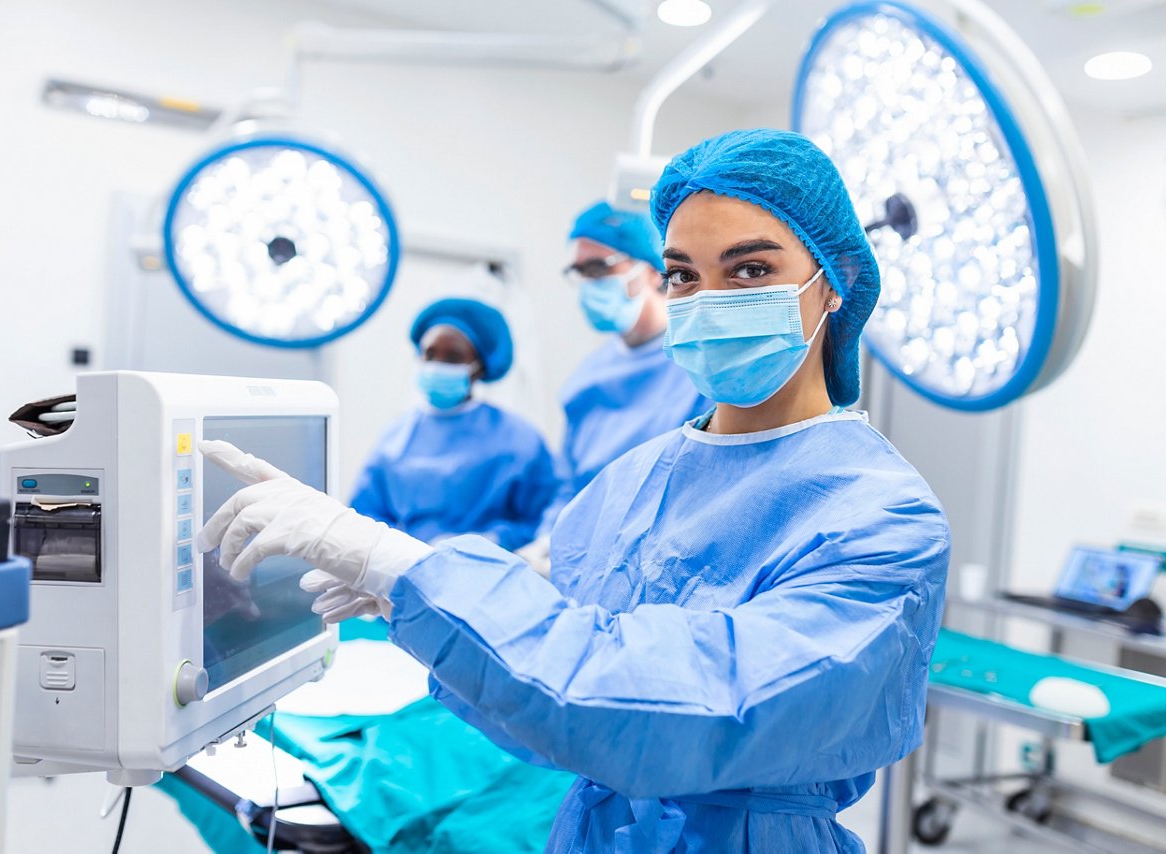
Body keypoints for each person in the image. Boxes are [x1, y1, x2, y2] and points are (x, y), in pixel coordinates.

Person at [198, 129, 950, 852]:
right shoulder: (636, 478)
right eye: (684, 273)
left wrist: (401, 566)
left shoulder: (885, 518)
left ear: (838, 283)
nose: (706, 298)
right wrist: (418, 593)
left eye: (750, 270)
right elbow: (557, 632)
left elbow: (662, 703)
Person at [536, 201, 709, 535]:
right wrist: (549, 540)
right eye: (580, 272)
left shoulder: (699, 364)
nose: (589, 283)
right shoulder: (587, 377)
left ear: (649, 269)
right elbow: (569, 486)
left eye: (599, 269)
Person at [348, 297, 557, 551]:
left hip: (490, 575)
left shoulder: (518, 438)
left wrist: (490, 544)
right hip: (402, 573)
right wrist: (400, 550)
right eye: (430, 354)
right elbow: (364, 517)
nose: (437, 365)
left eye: (453, 357)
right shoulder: (396, 436)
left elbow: (543, 518)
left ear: (479, 367)